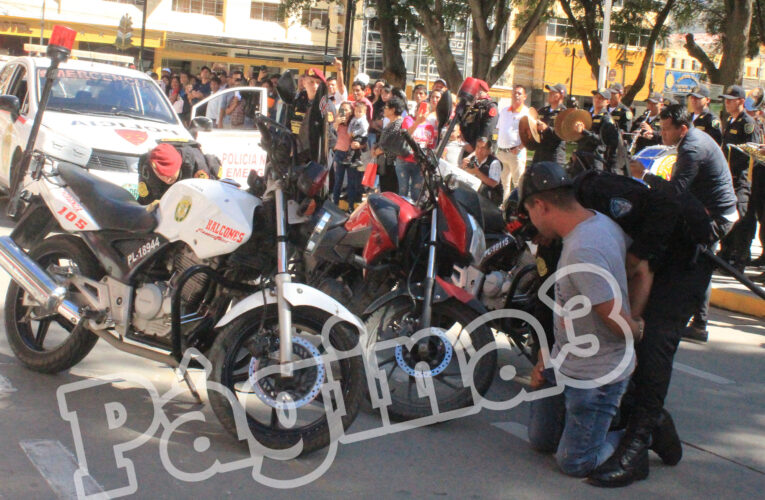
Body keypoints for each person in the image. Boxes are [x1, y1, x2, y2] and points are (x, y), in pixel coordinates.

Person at [586, 105, 738, 486]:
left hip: (686, 255)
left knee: (652, 343)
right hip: (663, 243)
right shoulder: (586, 209)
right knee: (633, 342)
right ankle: (656, 425)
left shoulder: (618, 205)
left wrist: (634, 321)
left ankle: (636, 448)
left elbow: (641, 266)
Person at [523, 161, 643, 481]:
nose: (531, 223)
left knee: (575, 463)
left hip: (596, 374)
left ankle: (637, 436)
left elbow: (614, 318)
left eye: (529, 213)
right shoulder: (597, 222)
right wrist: (545, 355)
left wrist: (637, 328)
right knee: (540, 441)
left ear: (541, 205)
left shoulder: (583, 249)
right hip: (565, 360)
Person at [718, 85, 757, 272]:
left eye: (730, 100)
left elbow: (752, 153)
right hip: (728, 178)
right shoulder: (731, 122)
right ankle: (726, 254)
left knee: (742, 218)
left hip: (742, 178)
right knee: (728, 215)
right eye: (725, 99)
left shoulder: (747, 123)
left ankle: (740, 257)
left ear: (741, 101)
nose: (726, 103)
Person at [572, 88, 621, 174]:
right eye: (596, 97)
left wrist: (584, 131)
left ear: (608, 102)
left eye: (601, 98)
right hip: (581, 158)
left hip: (594, 159)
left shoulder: (606, 119)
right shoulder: (587, 115)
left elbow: (602, 141)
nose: (597, 100)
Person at [296, 67, 336, 166]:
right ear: (304, 82)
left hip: (317, 159)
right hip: (300, 155)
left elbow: (330, 136)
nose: (315, 86)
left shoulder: (325, 105)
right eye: (311, 82)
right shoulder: (300, 102)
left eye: (318, 83)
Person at [496, 84, 529, 201]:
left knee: (518, 183)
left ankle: (518, 206)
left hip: (516, 153)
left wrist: (520, 148)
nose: (516, 95)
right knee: (504, 183)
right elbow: (500, 130)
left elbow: (530, 135)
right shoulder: (504, 111)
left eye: (519, 93)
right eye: (514, 92)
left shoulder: (526, 113)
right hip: (501, 153)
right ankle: (504, 205)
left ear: (524, 97)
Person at [373, 97, 413, 195]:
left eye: (386, 107)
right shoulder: (391, 123)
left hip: (391, 164)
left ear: (393, 110)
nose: (384, 109)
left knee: (390, 192)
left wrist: (379, 150)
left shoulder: (398, 124)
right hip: (385, 163)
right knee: (384, 190)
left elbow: (392, 143)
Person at [527, 83, 567, 165]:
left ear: (561, 96)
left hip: (554, 155)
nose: (550, 94)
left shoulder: (564, 113)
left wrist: (547, 129)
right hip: (540, 153)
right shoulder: (543, 110)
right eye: (550, 92)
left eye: (553, 93)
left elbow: (564, 134)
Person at [461, 137, 503, 205]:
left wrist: (477, 172)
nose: (479, 150)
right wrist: (463, 168)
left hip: (490, 198)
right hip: (474, 194)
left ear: (489, 150)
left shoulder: (494, 163)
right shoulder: (472, 159)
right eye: (477, 147)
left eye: (483, 148)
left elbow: (493, 183)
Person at [331, 102, 356, 208]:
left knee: (351, 183)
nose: (344, 112)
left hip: (351, 155)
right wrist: (336, 123)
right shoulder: (337, 121)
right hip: (339, 154)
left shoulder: (354, 122)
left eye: (346, 110)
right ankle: (334, 204)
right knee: (338, 182)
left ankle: (350, 206)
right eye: (342, 109)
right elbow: (331, 133)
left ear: (351, 111)